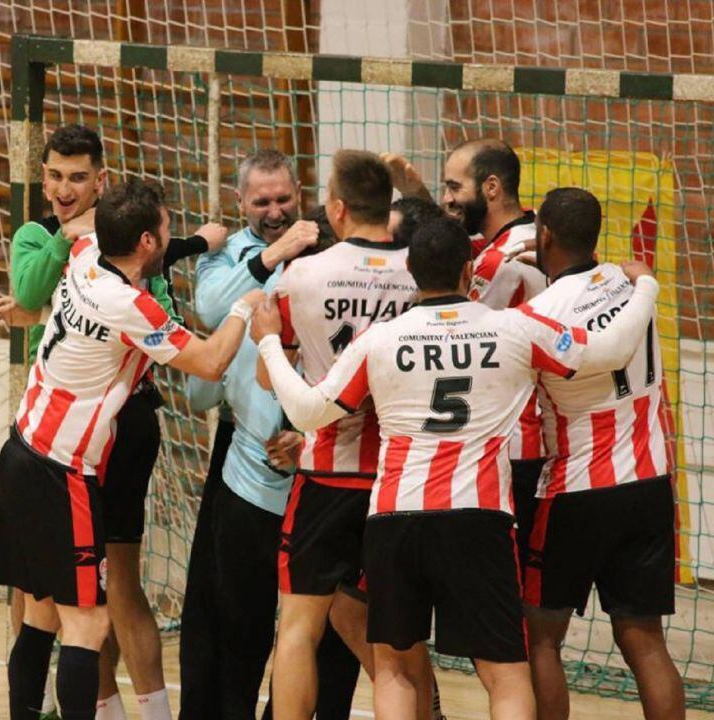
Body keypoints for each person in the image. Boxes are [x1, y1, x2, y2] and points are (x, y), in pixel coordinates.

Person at [252, 216, 660, 720]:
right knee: (505, 676)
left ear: (412, 271)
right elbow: (613, 350)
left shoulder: (381, 339)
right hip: (479, 518)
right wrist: (645, 285)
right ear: (468, 271)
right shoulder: (514, 326)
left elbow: (307, 412)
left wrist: (268, 342)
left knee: (395, 670)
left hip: (395, 518)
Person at [0, 178, 263, 720]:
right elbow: (211, 362)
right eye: (165, 228)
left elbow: (80, 243)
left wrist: (30, 312)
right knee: (88, 625)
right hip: (60, 472)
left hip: (19, 450)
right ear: (145, 241)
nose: (170, 233)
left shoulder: (85, 253)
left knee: (40, 615)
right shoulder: (132, 307)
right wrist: (243, 307)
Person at [181, 149, 361, 720]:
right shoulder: (225, 255)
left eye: (284, 198)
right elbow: (210, 309)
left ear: (300, 193)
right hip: (249, 464)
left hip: (326, 471)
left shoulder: (333, 256)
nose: (275, 211)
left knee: (326, 631)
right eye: (262, 201)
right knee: (238, 621)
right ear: (240, 202)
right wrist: (275, 256)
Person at [259, 150, 421, 720]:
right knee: (396, 642)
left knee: (298, 629)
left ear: (337, 208)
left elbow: (269, 376)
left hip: (327, 471)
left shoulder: (301, 275)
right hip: (400, 478)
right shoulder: (421, 271)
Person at [519, 188, 685, 720]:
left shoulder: (535, 316)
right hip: (649, 482)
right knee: (645, 642)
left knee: (540, 638)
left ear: (545, 234)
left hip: (575, 491)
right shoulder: (631, 282)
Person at [383, 140, 548, 575]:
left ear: (491, 187)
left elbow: (452, 317)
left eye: (455, 187)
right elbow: (458, 244)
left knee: (495, 587)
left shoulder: (501, 262)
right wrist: (417, 195)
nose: (448, 198)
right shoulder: (528, 232)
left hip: (510, 443)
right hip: (523, 438)